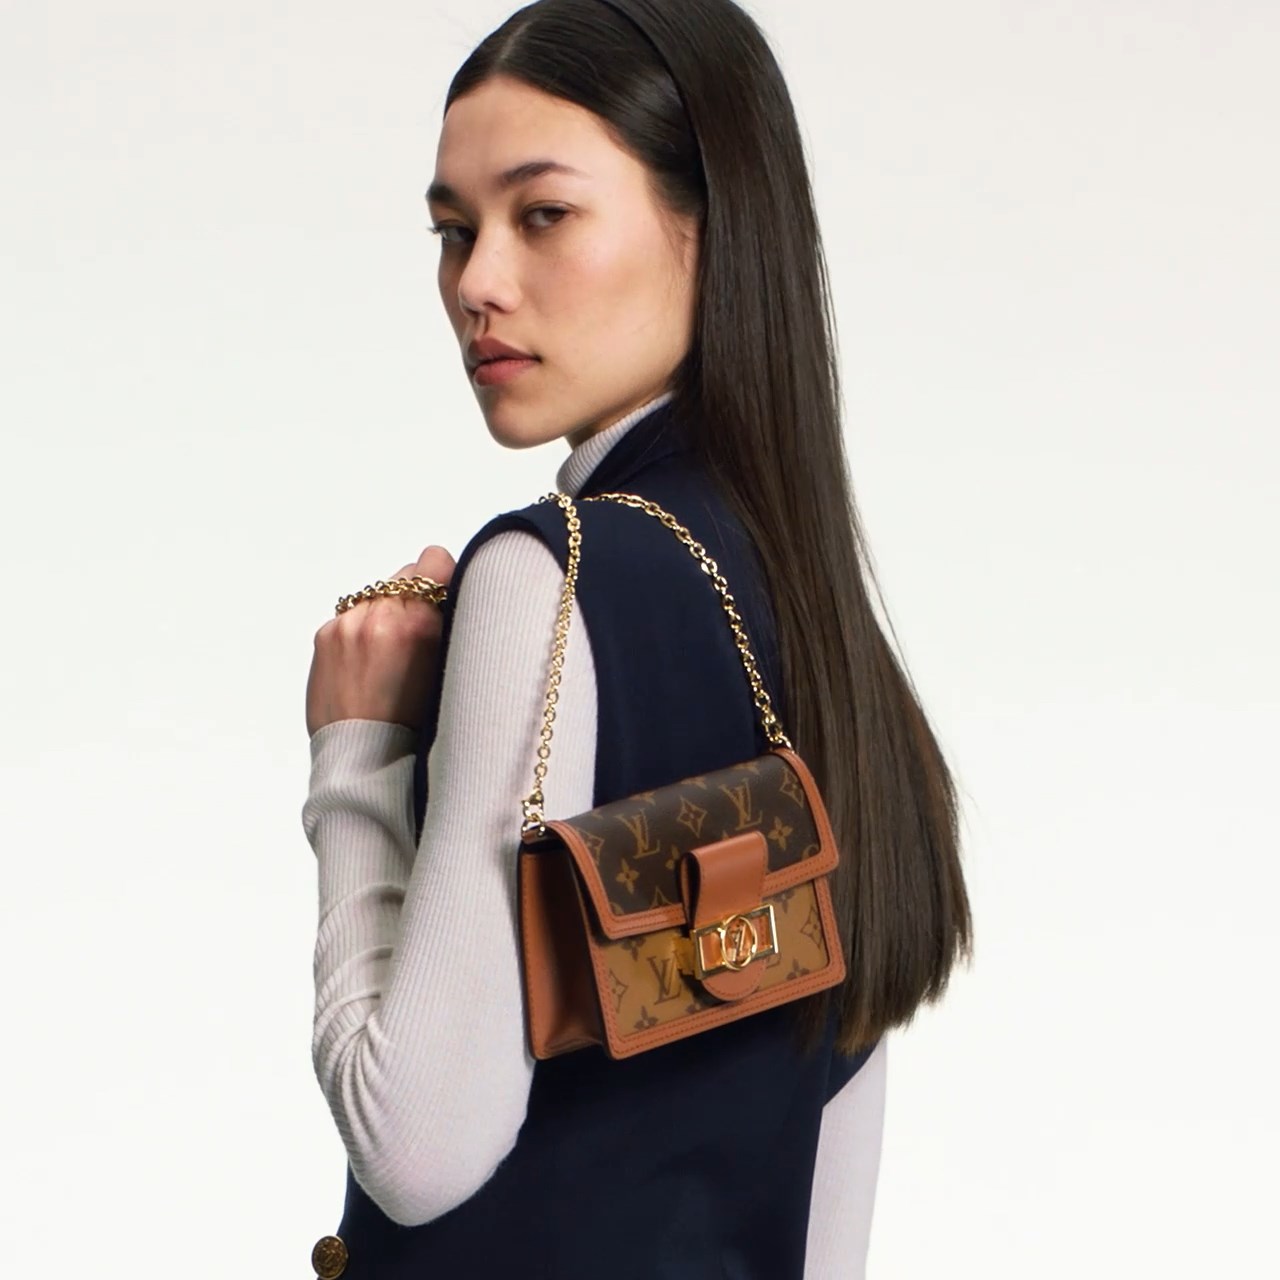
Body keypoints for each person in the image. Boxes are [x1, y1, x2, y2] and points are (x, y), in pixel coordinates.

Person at [300, 1, 972, 1276]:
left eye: (542, 213)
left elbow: (416, 1144)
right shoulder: (819, 613)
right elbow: (826, 1220)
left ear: (704, 225)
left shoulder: (544, 576)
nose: (476, 283)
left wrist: (357, 752)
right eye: (454, 231)